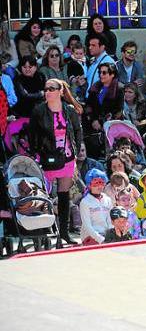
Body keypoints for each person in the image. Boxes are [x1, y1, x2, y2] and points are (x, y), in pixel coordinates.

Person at [29, 78, 83, 247]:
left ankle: (65, 233)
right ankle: (43, 232)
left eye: (52, 88)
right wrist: (37, 152)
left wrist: (76, 149)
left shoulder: (70, 110)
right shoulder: (38, 111)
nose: (48, 91)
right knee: (42, 195)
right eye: (46, 89)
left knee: (64, 195)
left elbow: (77, 130)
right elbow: (32, 134)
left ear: (60, 91)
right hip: (46, 158)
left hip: (66, 156)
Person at [80, 169, 113, 245]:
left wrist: (110, 236)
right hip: (90, 236)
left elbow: (110, 221)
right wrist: (100, 239)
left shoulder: (107, 199)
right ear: (89, 185)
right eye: (96, 183)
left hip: (105, 235)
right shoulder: (85, 202)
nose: (99, 186)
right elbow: (87, 225)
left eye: (101, 182)